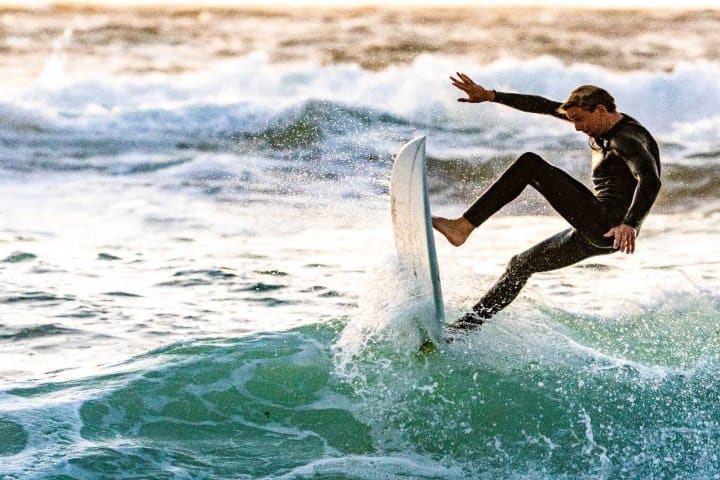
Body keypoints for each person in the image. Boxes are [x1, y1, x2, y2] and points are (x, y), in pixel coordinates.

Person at [433, 73, 661, 331]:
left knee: (530, 165)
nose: (576, 127)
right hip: (601, 233)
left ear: (600, 110)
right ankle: (461, 331)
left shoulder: (627, 139)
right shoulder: (602, 125)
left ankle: (463, 227)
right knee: (521, 264)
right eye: (572, 119)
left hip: (608, 225)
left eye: (579, 119)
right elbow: (543, 105)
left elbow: (650, 180)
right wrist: (491, 96)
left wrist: (630, 224)